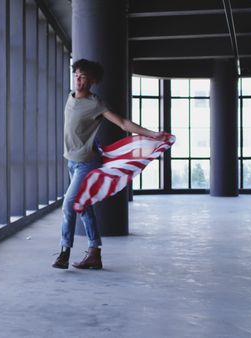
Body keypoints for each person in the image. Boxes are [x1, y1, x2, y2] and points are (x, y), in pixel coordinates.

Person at [52, 59, 168, 270]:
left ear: (93, 80)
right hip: (71, 162)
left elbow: (123, 123)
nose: (79, 79)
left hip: (86, 165)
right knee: (84, 207)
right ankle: (94, 253)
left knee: (69, 205)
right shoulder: (70, 96)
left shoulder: (96, 103)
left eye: (84, 76)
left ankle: (64, 253)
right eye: (77, 74)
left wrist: (152, 134)